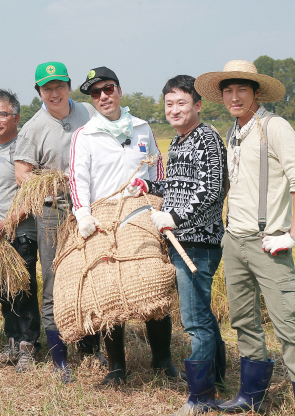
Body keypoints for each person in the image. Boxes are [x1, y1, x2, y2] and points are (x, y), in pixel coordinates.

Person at [195, 61, 295, 416]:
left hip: (269, 242)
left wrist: (292, 236)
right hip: (234, 242)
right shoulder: (233, 133)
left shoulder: (275, 127)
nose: (234, 97)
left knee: (290, 329)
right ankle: (250, 398)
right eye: (228, 91)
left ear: (255, 93)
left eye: (242, 90)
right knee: (243, 321)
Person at [69, 66, 172, 385]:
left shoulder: (142, 128)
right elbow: (78, 178)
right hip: (102, 218)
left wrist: (162, 208)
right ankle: (116, 367)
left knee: (154, 279)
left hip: (141, 214)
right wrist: (83, 215)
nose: (103, 96)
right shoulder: (83, 136)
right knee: (108, 288)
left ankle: (163, 360)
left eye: (108, 89)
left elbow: (159, 171)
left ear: (119, 91)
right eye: (96, 93)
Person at [137, 75, 227, 416]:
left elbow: (212, 190)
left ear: (198, 105)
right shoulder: (177, 142)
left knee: (193, 321)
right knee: (201, 311)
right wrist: (148, 183)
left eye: (181, 103)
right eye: (169, 104)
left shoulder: (207, 139)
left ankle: (200, 396)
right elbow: (176, 186)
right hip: (180, 239)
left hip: (199, 243)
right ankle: (216, 377)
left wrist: (173, 216)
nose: (174, 110)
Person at [13, 61, 100, 382]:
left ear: (69, 86)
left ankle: (91, 347)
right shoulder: (34, 127)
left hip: (90, 207)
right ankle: (59, 357)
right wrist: (55, 181)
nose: (54, 93)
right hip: (52, 212)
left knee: (90, 273)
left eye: (59, 86)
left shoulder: (88, 113)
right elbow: (22, 173)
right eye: (47, 88)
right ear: (39, 92)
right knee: (53, 278)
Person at [0, 88, 41, 373]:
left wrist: (9, 223)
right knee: (3, 290)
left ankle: (29, 347)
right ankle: (13, 342)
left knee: (23, 289)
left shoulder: (23, 149)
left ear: (16, 117)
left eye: (2, 114)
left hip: (19, 232)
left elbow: (33, 195)